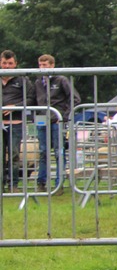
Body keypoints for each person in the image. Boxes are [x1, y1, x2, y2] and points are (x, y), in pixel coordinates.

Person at [32, 54, 81, 193]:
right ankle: (41, 182)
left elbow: (75, 98)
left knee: (59, 151)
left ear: (52, 65)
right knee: (43, 152)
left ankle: (59, 184)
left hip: (57, 120)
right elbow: (34, 100)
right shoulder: (38, 82)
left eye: (45, 65)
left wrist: (64, 116)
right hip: (42, 120)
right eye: (40, 65)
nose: (42, 68)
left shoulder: (61, 80)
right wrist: (35, 116)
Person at [1, 51, 30, 190]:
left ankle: (13, 184)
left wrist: (16, 107)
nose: (7, 66)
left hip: (15, 124)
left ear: (15, 64)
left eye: (10, 63)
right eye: (4, 63)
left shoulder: (22, 79)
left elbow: (31, 98)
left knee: (14, 155)